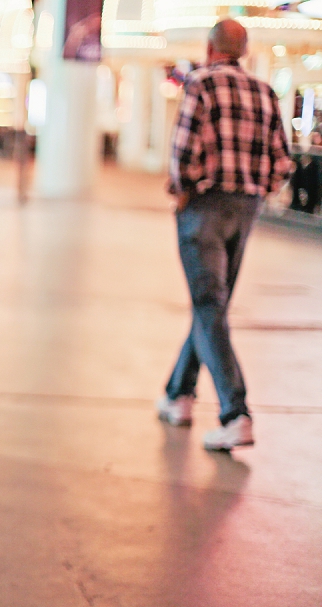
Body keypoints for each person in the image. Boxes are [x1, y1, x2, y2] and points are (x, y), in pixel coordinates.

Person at [157, 19, 292, 451]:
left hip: (205, 206)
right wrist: (258, 188)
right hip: (245, 208)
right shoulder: (265, 92)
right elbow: (283, 163)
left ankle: (236, 413)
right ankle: (179, 394)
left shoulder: (199, 83)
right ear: (244, 50)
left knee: (208, 304)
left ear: (210, 48)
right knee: (212, 304)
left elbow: (183, 153)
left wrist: (184, 186)